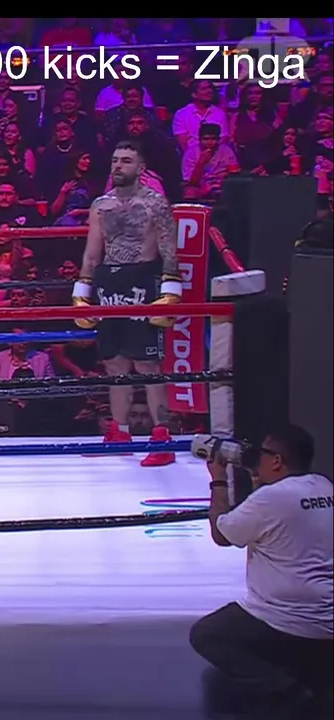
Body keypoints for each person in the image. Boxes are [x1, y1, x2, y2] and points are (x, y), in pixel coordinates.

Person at [191, 425, 333, 716]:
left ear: (277, 460)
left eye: (262, 454)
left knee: (206, 634)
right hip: (326, 615)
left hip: (287, 618)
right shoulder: (323, 486)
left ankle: (288, 691)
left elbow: (222, 534)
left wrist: (218, 480)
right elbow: (277, 521)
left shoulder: (270, 499)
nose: (256, 459)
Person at [72, 140, 182, 467]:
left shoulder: (155, 204)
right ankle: (119, 434)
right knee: (114, 363)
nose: (118, 166)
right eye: (115, 160)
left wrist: (170, 290)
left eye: (126, 161)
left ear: (141, 168)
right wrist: (82, 291)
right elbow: (92, 251)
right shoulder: (100, 205)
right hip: (109, 281)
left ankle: (162, 438)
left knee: (147, 364)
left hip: (143, 279)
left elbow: (169, 250)